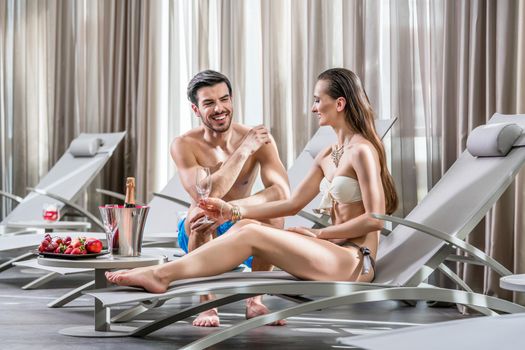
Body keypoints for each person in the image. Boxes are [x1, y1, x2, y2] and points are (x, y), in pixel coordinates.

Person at [106, 68, 398, 317]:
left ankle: (162, 275)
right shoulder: (327, 154)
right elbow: (292, 203)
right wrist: (233, 211)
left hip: (356, 260)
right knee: (246, 226)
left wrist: (318, 234)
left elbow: (376, 220)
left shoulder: (362, 150)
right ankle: (188, 286)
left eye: (317, 100)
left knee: (253, 233)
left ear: (339, 104)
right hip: (333, 252)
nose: (312, 108)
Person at [169, 70, 290, 327]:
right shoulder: (184, 145)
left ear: (232, 100)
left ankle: (254, 302)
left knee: (274, 213)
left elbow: (281, 193)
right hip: (195, 230)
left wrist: (233, 209)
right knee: (202, 214)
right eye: (209, 103)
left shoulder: (262, 140)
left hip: (239, 221)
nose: (219, 108)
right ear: (195, 109)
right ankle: (207, 305)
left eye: (224, 99)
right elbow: (207, 196)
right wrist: (244, 150)